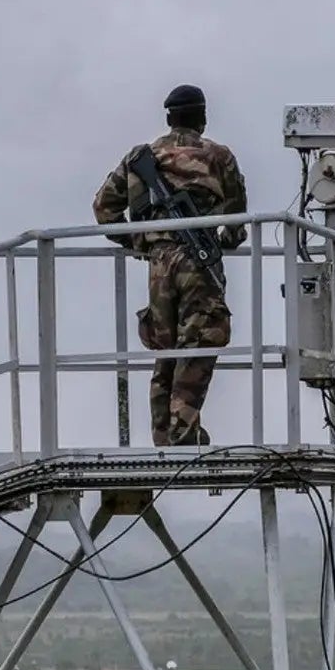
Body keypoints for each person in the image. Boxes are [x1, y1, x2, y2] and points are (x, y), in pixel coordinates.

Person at [92, 84, 249, 446]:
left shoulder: (142, 157)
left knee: (167, 347)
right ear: (203, 117)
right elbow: (237, 216)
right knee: (201, 339)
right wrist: (226, 241)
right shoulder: (218, 156)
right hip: (199, 260)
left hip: (159, 263)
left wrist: (142, 241)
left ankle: (165, 431)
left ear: (168, 117)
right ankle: (183, 430)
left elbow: (104, 209)